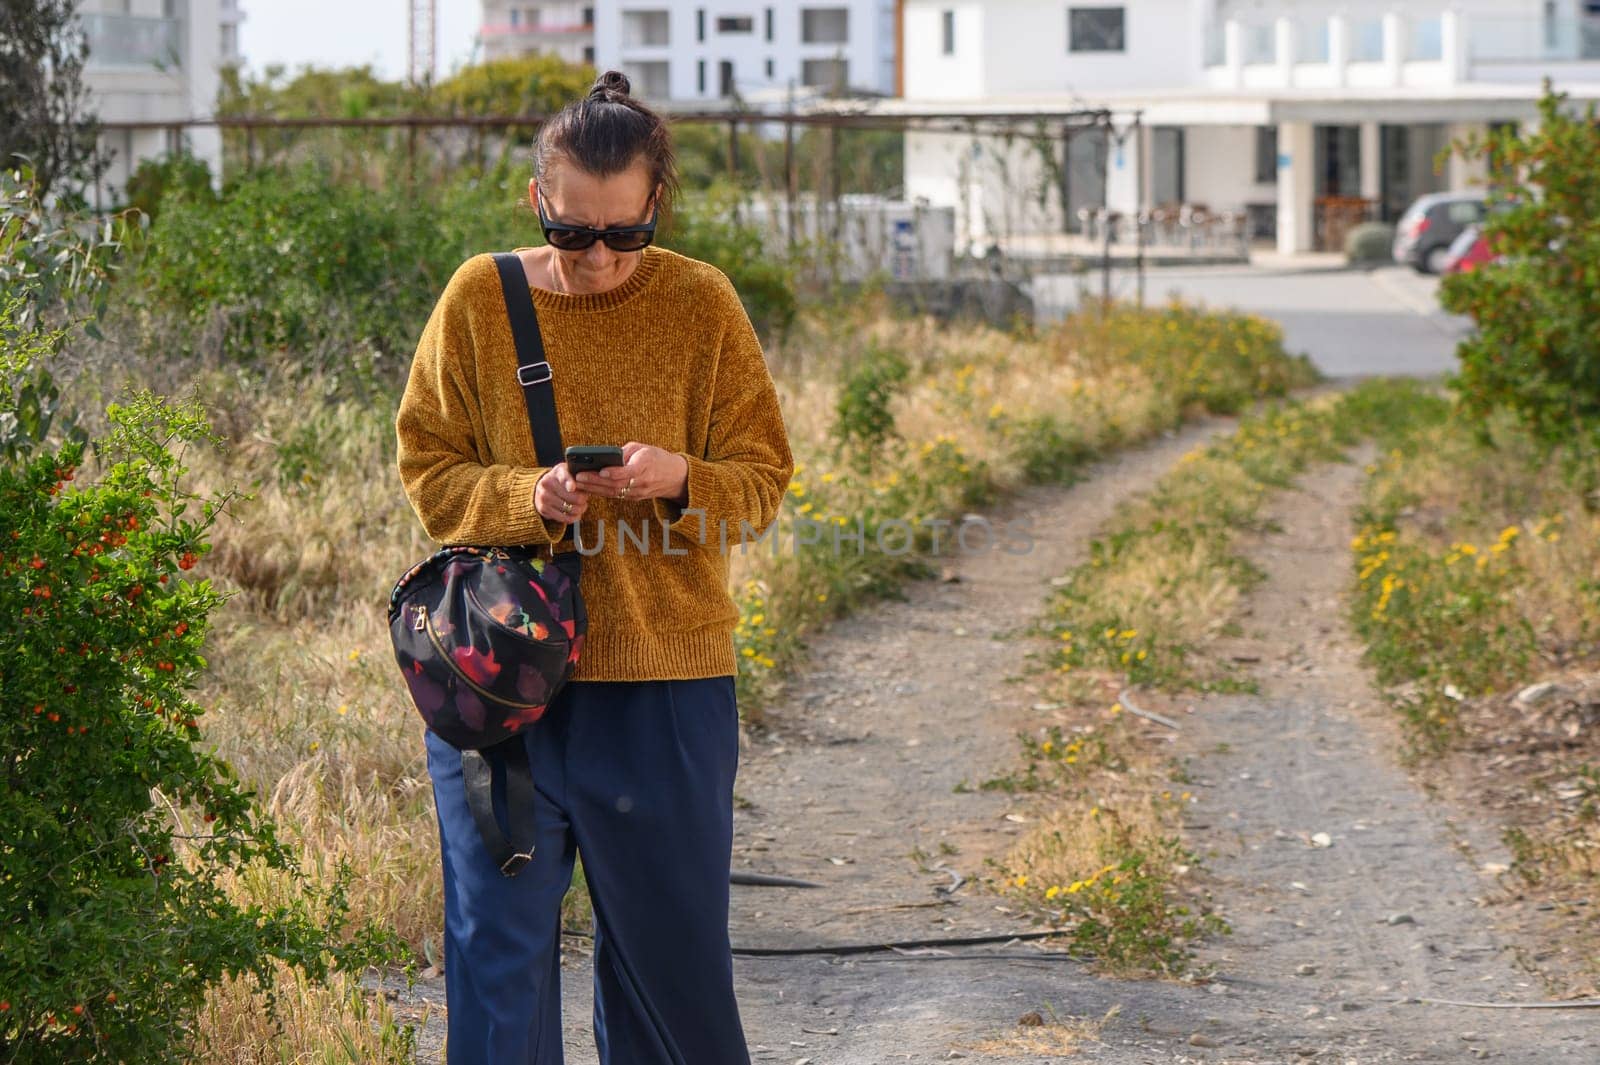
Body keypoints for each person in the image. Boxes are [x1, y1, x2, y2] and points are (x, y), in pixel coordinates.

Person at [394, 69, 794, 1065]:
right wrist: (525, 498)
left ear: (655, 205)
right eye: (574, 233)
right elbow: (427, 468)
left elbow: (761, 482)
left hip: (665, 688)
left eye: (624, 234)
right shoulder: (480, 299)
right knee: (495, 975)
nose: (599, 258)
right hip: (502, 692)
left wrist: (677, 477)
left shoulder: (701, 303)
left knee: (672, 985)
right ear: (541, 201)